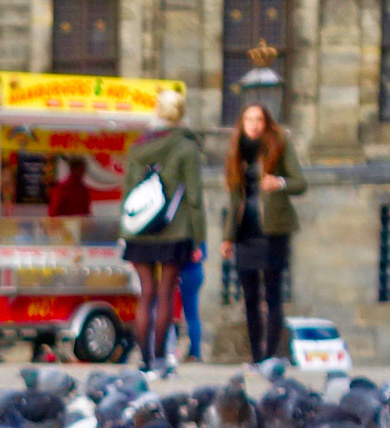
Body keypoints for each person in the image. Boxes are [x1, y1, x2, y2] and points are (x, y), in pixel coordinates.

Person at [119, 88, 204, 374]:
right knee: (166, 293)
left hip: (139, 230)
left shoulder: (138, 146)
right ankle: (158, 360)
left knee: (146, 294)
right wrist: (199, 238)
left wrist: (125, 229)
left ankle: (143, 361)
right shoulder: (186, 147)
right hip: (174, 230)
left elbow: (128, 192)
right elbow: (194, 197)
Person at [223, 102, 306, 368]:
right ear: (242, 123)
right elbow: (233, 197)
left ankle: (270, 356)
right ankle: (255, 357)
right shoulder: (236, 151)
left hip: (273, 230)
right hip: (246, 231)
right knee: (249, 297)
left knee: (272, 294)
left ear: (266, 122)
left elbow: (300, 183)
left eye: (259, 119)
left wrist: (279, 182)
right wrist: (227, 237)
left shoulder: (279, 145)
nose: (254, 124)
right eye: (249, 119)